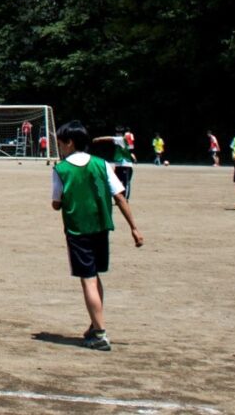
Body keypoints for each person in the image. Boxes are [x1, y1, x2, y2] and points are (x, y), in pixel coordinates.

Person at [51, 120, 143, 351]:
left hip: (78, 230)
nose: (60, 148)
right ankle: (95, 324)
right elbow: (120, 197)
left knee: (88, 280)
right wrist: (134, 227)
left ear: (69, 143)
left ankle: (100, 334)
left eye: (61, 144)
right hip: (101, 227)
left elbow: (56, 202)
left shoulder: (61, 169)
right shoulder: (102, 165)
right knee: (95, 277)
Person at [94, 130, 137, 199]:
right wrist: (134, 158)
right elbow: (131, 152)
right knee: (124, 182)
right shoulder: (128, 142)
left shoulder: (120, 139)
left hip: (123, 164)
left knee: (118, 182)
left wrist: (98, 139)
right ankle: (123, 197)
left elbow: (109, 138)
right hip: (123, 165)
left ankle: (122, 197)